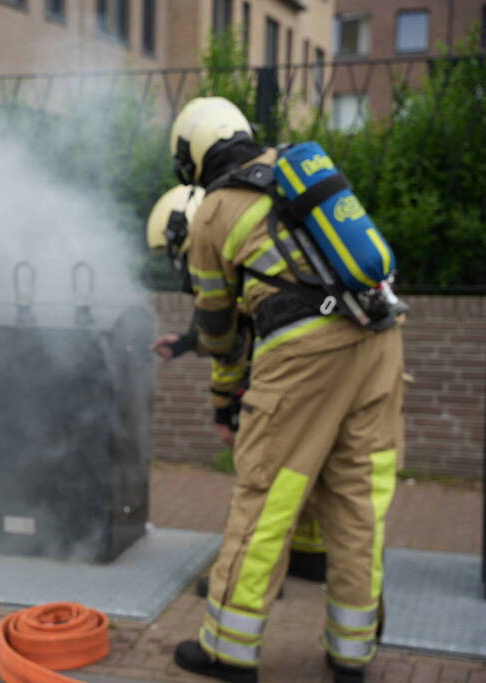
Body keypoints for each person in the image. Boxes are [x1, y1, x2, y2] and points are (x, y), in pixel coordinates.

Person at [165, 97, 405, 683]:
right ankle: (353, 651)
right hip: (380, 336)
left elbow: (220, 327)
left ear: (194, 154)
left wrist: (225, 398)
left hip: (304, 354)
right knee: (356, 499)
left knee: (268, 493)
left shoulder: (213, 212)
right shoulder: (292, 172)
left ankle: (228, 648)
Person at [147, 186, 328, 599]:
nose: (180, 262)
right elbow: (232, 325)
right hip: (321, 361)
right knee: (305, 464)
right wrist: (185, 342)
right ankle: (310, 555)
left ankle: (249, 575)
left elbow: (229, 346)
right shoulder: (264, 245)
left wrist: (223, 411)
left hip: (280, 375)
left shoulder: (221, 260)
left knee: (260, 474)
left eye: (177, 250)